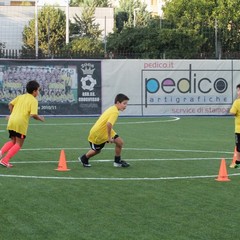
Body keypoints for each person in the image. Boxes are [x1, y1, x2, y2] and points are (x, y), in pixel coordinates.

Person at [0, 80, 44, 168]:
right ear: (34, 91)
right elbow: (33, 115)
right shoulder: (33, 101)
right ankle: (5, 160)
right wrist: (40, 118)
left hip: (11, 120)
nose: (38, 92)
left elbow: (10, 104)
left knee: (13, 141)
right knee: (18, 144)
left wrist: (13, 114)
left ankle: (0, 153)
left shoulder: (21, 96)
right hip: (20, 123)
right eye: (38, 90)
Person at [79, 93, 130, 168]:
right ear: (118, 103)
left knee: (120, 142)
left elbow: (108, 124)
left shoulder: (113, 108)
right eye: (124, 103)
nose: (125, 106)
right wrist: (109, 138)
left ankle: (117, 162)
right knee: (97, 150)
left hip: (104, 130)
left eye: (126, 104)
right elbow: (109, 124)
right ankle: (84, 158)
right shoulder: (115, 112)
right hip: (99, 133)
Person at [230, 83, 240, 168]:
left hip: (239, 129)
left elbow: (232, 112)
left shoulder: (237, 102)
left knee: (238, 147)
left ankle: (238, 163)